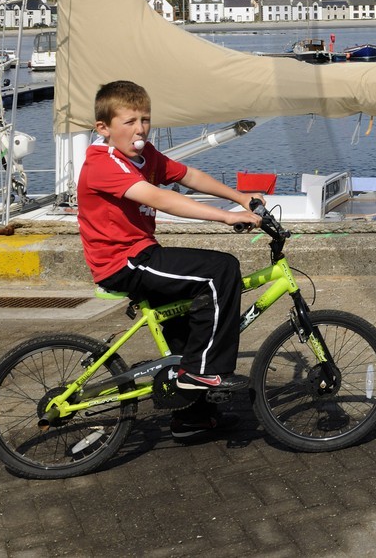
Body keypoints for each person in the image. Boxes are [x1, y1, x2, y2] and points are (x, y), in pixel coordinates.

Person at [77, 80, 262, 439]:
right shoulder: (103, 163)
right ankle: (204, 370)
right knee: (220, 270)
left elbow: (188, 175)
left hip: (141, 253)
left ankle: (191, 417)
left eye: (145, 120)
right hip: (123, 262)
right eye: (129, 121)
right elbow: (160, 199)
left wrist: (239, 197)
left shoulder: (143, 157)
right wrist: (224, 216)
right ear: (104, 128)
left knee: (189, 321)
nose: (140, 129)